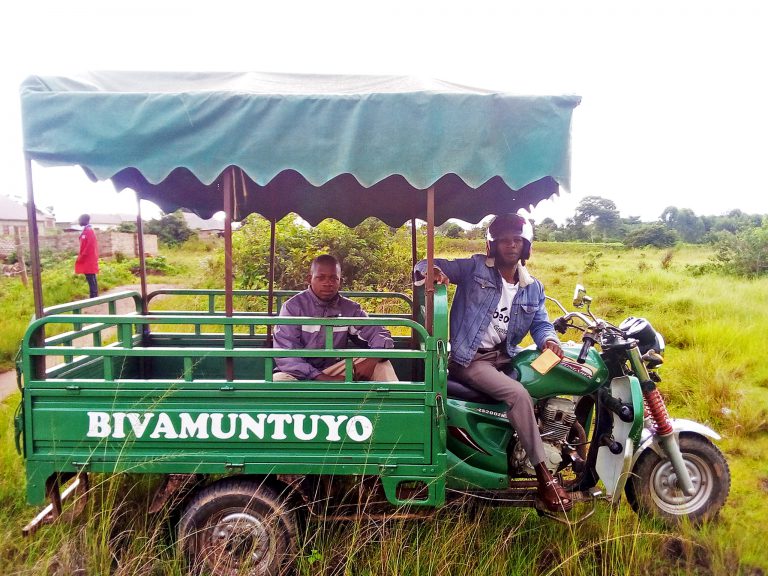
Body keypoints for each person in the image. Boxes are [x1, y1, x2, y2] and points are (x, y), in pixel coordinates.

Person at [413, 213, 572, 512]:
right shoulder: (475, 268)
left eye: (516, 240)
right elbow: (425, 265)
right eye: (504, 241)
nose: (510, 245)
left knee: (541, 384)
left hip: (505, 356)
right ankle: (544, 477)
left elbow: (540, 322)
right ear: (493, 245)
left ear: (526, 246)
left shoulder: (532, 287)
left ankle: (523, 447)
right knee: (518, 395)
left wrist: (550, 340)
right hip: (469, 359)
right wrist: (433, 271)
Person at [273, 254, 398, 382]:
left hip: (334, 370)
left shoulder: (350, 309)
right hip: (298, 373)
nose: (328, 283)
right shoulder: (292, 307)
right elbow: (286, 354)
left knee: (381, 365)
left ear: (340, 281)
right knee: (279, 381)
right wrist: (321, 377)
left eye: (333, 278)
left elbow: (379, 333)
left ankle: (394, 402)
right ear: (309, 279)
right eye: (321, 278)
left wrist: (372, 361)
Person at [75, 213, 99, 298]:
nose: (78, 222)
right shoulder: (85, 230)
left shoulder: (89, 231)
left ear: (84, 220)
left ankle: (94, 296)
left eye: (79, 220)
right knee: (90, 276)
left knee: (91, 275)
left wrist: (82, 255)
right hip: (86, 258)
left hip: (89, 258)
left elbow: (90, 245)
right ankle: (93, 295)